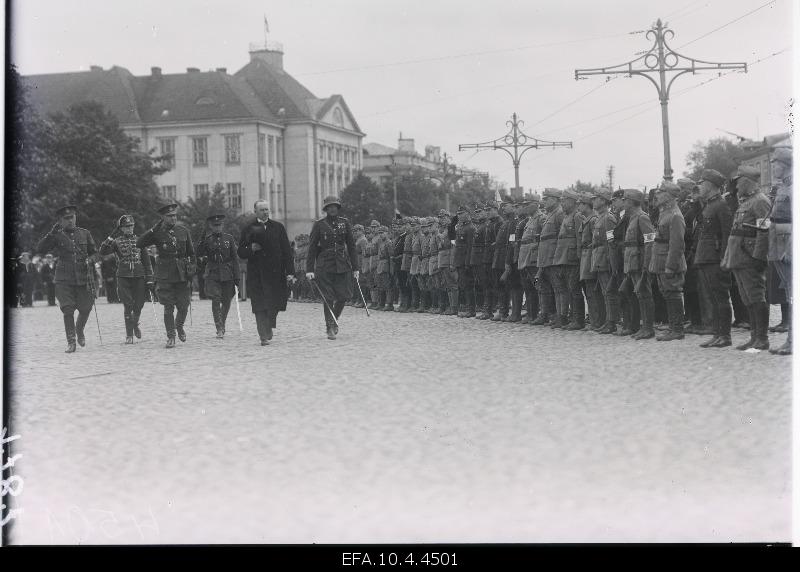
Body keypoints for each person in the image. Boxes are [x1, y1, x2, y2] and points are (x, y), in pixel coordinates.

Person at [721, 165, 772, 351]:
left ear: (748, 182)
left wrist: (759, 257)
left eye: (739, 182)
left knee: (756, 296)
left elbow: (765, 231)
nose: (736, 187)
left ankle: (762, 338)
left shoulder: (760, 201)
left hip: (750, 257)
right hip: (740, 257)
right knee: (747, 297)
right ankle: (754, 337)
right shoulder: (746, 201)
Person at [35, 205, 99, 353]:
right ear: (60, 221)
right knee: (68, 310)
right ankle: (71, 341)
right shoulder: (56, 235)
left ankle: (79, 329)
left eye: (72, 217)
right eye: (66, 219)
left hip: (83, 277)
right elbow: (40, 249)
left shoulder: (85, 233)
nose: (70, 221)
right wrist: (51, 234)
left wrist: (91, 259)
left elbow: (96, 253)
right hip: (64, 279)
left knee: (86, 308)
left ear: (76, 217)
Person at [137, 203, 196, 349]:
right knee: (168, 306)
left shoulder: (183, 231)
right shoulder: (157, 232)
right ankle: (171, 336)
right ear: (163, 218)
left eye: (174, 215)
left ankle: (179, 325)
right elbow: (139, 243)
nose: (173, 218)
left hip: (182, 273)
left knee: (184, 305)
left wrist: (192, 270)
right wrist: (154, 228)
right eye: (169, 216)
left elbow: (191, 253)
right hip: (164, 274)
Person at [238, 200, 293, 345]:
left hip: (276, 274)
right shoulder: (249, 228)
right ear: (255, 211)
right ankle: (263, 334)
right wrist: (251, 249)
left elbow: (287, 251)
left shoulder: (278, 227)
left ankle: (268, 326)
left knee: (273, 304)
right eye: (262, 210)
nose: (265, 212)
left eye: (267, 209)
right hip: (257, 274)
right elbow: (240, 252)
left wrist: (290, 272)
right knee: (259, 304)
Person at [305, 195, 358, 340]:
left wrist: (356, 268)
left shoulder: (345, 223)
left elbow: (352, 247)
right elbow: (312, 248)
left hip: (342, 264)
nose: (332, 208)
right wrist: (309, 269)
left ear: (338, 208)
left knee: (343, 296)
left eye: (335, 206)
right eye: (330, 207)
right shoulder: (319, 225)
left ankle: (334, 320)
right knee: (327, 297)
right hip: (325, 265)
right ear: (326, 209)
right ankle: (330, 326)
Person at [693, 170, 734, 348]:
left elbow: (727, 234)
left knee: (720, 297)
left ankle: (724, 335)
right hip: (706, 257)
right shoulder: (709, 205)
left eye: (701, 184)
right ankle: (717, 333)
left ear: (709, 185)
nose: (699, 187)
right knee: (712, 297)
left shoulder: (721, 205)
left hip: (716, 258)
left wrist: (725, 259)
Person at [99, 214, 154, 344]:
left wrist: (150, 278)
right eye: (126, 227)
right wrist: (112, 234)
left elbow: (146, 261)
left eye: (131, 226)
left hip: (139, 275)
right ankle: (129, 335)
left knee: (139, 304)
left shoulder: (140, 240)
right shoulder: (116, 241)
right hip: (123, 276)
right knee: (127, 305)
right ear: (121, 228)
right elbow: (102, 251)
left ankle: (134, 324)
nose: (129, 228)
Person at [649, 181, 687, 341]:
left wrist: (671, 266)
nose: (657, 195)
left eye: (661, 192)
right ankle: (673, 327)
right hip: (660, 260)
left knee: (673, 293)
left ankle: (677, 329)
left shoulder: (675, 216)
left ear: (670, 196)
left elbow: (677, 244)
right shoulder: (665, 213)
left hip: (669, 262)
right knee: (667, 293)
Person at [197, 214, 240, 339]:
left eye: (219, 225)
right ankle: (219, 327)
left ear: (223, 225)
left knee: (226, 301)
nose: (217, 228)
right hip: (213, 273)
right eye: (215, 225)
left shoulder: (229, 238)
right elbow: (198, 253)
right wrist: (202, 237)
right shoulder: (207, 239)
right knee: (216, 299)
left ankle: (222, 322)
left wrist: (237, 276)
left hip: (227, 273)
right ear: (211, 226)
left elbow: (235, 259)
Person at [620, 189, 656, 339]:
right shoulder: (632, 218)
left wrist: (646, 265)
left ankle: (648, 328)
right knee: (637, 294)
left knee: (644, 294)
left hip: (640, 262)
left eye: (625, 200)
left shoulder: (642, 218)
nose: (623, 203)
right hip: (632, 261)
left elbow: (650, 242)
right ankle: (637, 326)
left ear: (631, 201)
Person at [767, 144, 792, 355]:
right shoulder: (782, 186)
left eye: (775, 164)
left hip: (789, 250)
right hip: (778, 247)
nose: (773, 168)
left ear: (784, 165)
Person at [553, 191, 584, 329]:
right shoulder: (566, 216)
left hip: (572, 258)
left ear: (572, 201)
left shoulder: (577, 216)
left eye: (565, 200)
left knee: (575, 290)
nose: (562, 203)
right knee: (569, 289)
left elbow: (579, 239)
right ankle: (572, 318)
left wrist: (578, 256)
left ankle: (578, 320)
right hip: (563, 257)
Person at [591, 188, 620, 333]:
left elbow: (611, 242)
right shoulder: (600, 218)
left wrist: (611, 262)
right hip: (599, 258)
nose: (593, 201)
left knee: (609, 292)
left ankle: (612, 322)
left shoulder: (608, 218)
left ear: (603, 200)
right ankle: (608, 321)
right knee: (605, 291)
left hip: (605, 259)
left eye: (596, 198)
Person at [577, 193, 604, 331]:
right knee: (589, 290)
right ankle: (594, 320)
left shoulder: (593, 219)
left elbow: (596, 240)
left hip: (590, 256)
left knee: (593, 291)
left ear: (586, 205)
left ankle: (597, 321)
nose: (579, 206)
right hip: (585, 256)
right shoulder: (587, 219)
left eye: (581, 204)